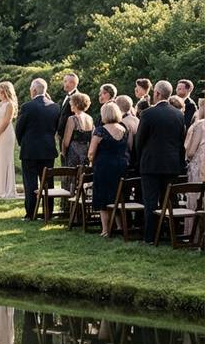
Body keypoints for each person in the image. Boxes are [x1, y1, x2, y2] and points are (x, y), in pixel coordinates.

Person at [135, 80, 187, 244]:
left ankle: (150, 237)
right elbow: (181, 141)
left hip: (151, 164)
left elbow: (139, 141)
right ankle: (172, 233)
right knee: (170, 200)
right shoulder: (178, 114)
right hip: (171, 164)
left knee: (151, 201)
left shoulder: (148, 114)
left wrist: (140, 159)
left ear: (156, 93)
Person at [15, 78, 61, 220]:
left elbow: (19, 129)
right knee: (48, 182)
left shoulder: (27, 106)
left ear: (34, 90)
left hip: (30, 150)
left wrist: (23, 143)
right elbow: (56, 128)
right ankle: (49, 212)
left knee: (30, 182)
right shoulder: (55, 107)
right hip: (48, 149)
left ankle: (31, 213)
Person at [89, 102, 130, 236]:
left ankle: (105, 229)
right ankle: (119, 226)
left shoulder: (100, 130)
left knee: (103, 196)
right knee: (117, 195)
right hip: (121, 165)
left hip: (104, 166)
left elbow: (91, 152)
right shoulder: (124, 129)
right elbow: (128, 147)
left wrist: (91, 160)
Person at [0, 80, 17, 198]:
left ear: (6, 92)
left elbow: (6, 122)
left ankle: (7, 190)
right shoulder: (0, 104)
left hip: (6, 134)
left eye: (1, 92)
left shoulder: (10, 104)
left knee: (6, 160)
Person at [185, 106, 205, 238]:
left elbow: (191, 151)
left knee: (195, 200)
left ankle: (195, 237)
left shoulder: (200, 125)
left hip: (200, 168)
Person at [61, 92, 94, 171]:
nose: (70, 105)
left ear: (77, 104)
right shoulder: (90, 118)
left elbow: (66, 142)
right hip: (85, 153)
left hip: (74, 155)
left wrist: (63, 153)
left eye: (71, 103)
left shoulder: (72, 119)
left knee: (72, 180)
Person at [56, 73, 81, 160]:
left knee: (67, 161)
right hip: (62, 134)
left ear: (74, 84)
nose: (65, 83)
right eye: (65, 81)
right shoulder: (68, 95)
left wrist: (61, 132)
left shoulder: (76, 97)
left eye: (68, 81)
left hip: (69, 135)